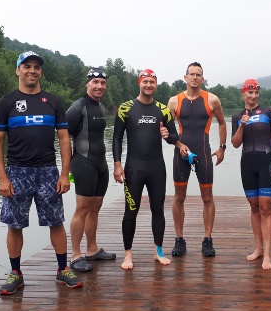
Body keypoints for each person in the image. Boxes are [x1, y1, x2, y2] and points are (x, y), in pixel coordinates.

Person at [0, 51, 82, 295]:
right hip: (17, 172)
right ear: (18, 70)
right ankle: (16, 273)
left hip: (47, 172)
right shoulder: (7, 102)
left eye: (36, 67)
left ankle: (63, 269)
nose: (32, 70)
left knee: (56, 222)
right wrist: (2, 177)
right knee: (14, 224)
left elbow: (64, 140)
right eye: (27, 66)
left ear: (41, 72)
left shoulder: (53, 102)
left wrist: (65, 174)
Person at [112, 69, 181, 270]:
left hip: (157, 168)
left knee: (158, 210)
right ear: (139, 83)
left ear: (156, 85)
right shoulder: (126, 108)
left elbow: (175, 138)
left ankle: (158, 251)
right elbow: (116, 138)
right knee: (130, 212)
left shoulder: (163, 110)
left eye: (152, 82)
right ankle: (128, 254)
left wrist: (168, 135)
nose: (148, 85)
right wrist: (117, 164)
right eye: (145, 82)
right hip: (134, 168)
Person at [167, 62, 227, 257]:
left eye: (198, 75)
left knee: (208, 198)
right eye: (191, 74)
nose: (194, 77)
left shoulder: (212, 100)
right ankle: (179, 239)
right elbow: (167, 130)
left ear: (202, 78)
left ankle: (208, 239)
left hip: (203, 153)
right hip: (181, 154)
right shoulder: (174, 101)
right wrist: (179, 145)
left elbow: (222, 123)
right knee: (179, 197)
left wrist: (222, 148)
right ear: (185, 77)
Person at [66, 68, 116, 272]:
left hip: (100, 164)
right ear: (87, 84)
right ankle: (76, 255)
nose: (99, 86)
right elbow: (63, 138)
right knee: (82, 209)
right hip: (83, 162)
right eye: (95, 82)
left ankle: (92, 249)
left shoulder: (101, 107)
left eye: (103, 83)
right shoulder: (78, 108)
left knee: (95, 208)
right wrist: (65, 170)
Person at [231, 79, 271, 269]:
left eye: (256, 93)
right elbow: (235, 144)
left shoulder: (268, 112)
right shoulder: (237, 116)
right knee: (254, 208)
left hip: (266, 161)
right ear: (243, 94)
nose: (253, 96)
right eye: (249, 93)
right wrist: (242, 125)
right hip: (247, 163)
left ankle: (268, 254)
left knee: (265, 208)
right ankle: (258, 249)